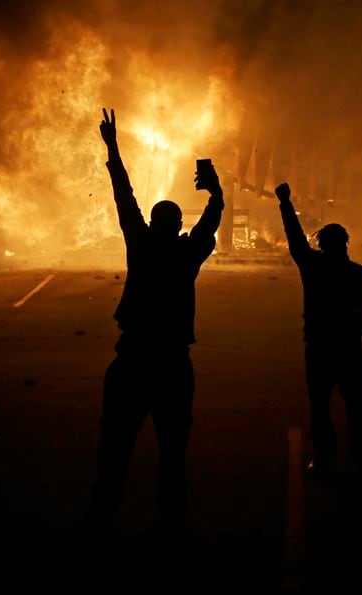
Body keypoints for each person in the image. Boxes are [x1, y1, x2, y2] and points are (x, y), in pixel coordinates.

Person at [87, 108, 223, 560]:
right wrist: (215, 188)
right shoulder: (188, 254)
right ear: (179, 225)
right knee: (172, 452)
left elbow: (123, 195)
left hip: (131, 361)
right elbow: (212, 219)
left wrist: (112, 147)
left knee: (115, 448)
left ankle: (100, 529)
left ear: (152, 222)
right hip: (170, 364)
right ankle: (173, 533)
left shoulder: (141, 245)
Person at [275, 182, 362, 478]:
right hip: (348, 346)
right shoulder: (356, 272)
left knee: (320, 406)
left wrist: (285, 202)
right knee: (358, 405)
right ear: (346, 243)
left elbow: (295, 238)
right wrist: (356, 330)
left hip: (320, 347)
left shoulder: (313, 266)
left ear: (322, 245)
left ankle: (324, 458)